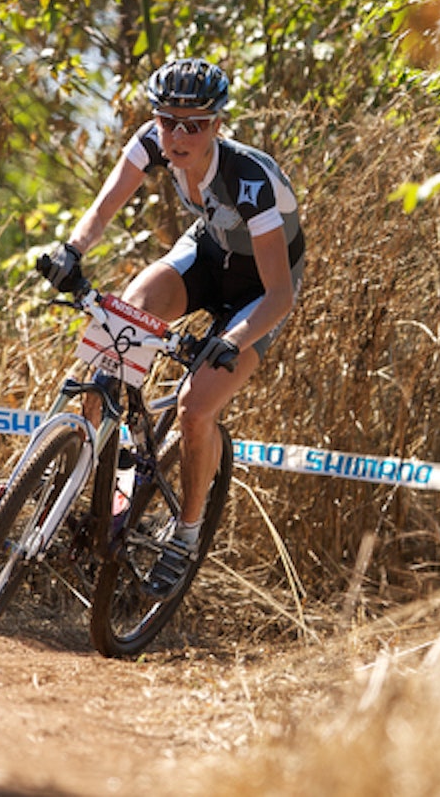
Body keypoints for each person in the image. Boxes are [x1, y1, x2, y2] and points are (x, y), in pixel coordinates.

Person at [36, 58, 305, 600]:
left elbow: (281, 295)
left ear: (217, 125)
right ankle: (79, 473)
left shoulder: (249, 180)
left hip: (260, 289)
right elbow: (105, 205)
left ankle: (184, 536)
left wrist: (231, 340)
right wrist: (72, 250)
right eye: (169, 120)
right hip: (207, 256)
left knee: (195, 406)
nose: (179, 135)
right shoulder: (152, 141)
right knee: (124, 319)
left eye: (195, 124)